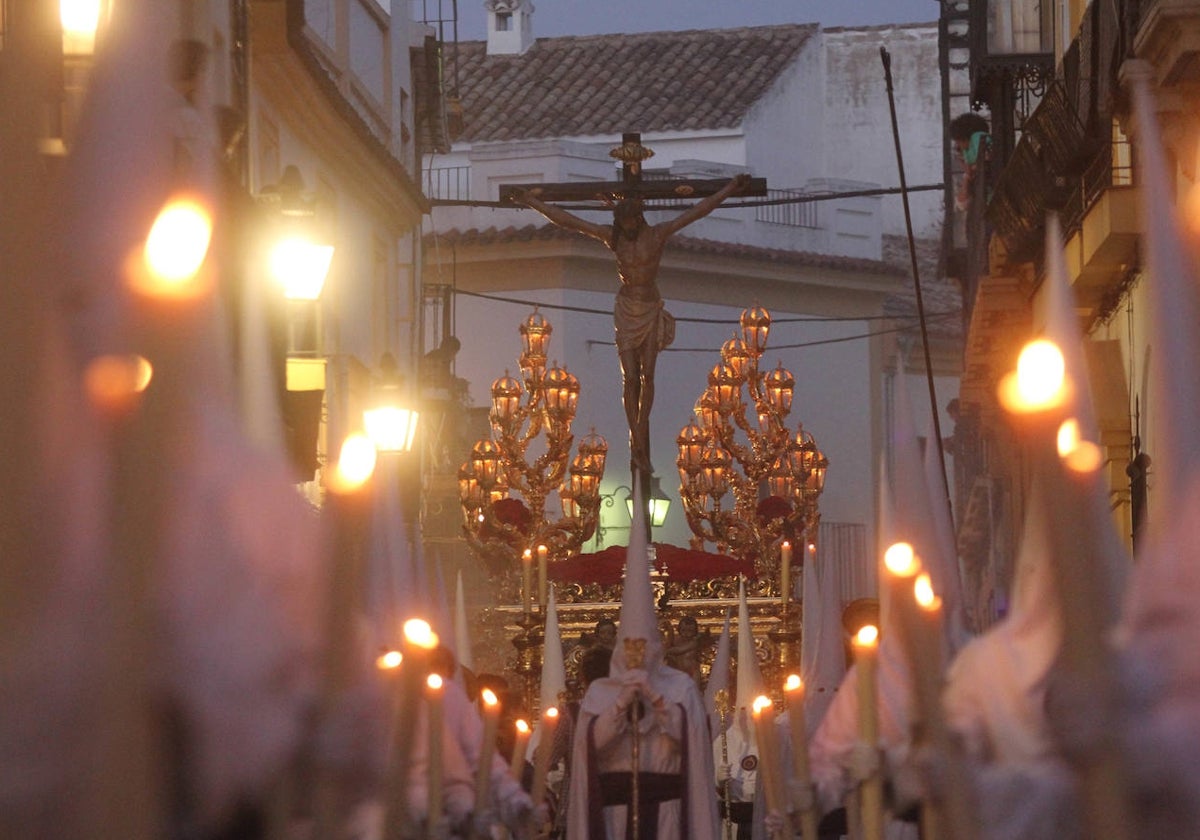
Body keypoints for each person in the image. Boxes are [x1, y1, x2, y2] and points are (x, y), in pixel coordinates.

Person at [517, 173, 753, 474]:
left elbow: (699, 210)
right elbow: (569, 221)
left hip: (649, 307)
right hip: (626, 308)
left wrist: (731, 188)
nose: (627, 228)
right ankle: (636, 438)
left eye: (630, 222)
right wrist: (533, 203)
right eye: (623, 223)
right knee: (630, 377)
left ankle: (640, 431)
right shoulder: (612, 238)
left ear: (638, 218)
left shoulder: (657, 235)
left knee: (647, 375)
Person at [566, 476, 720, 839]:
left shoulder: (678, 686)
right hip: (613, 812)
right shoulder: (601, 691)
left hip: (667, 810)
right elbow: (591, 747)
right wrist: (621, 704)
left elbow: (689, 743)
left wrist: (653, 697)